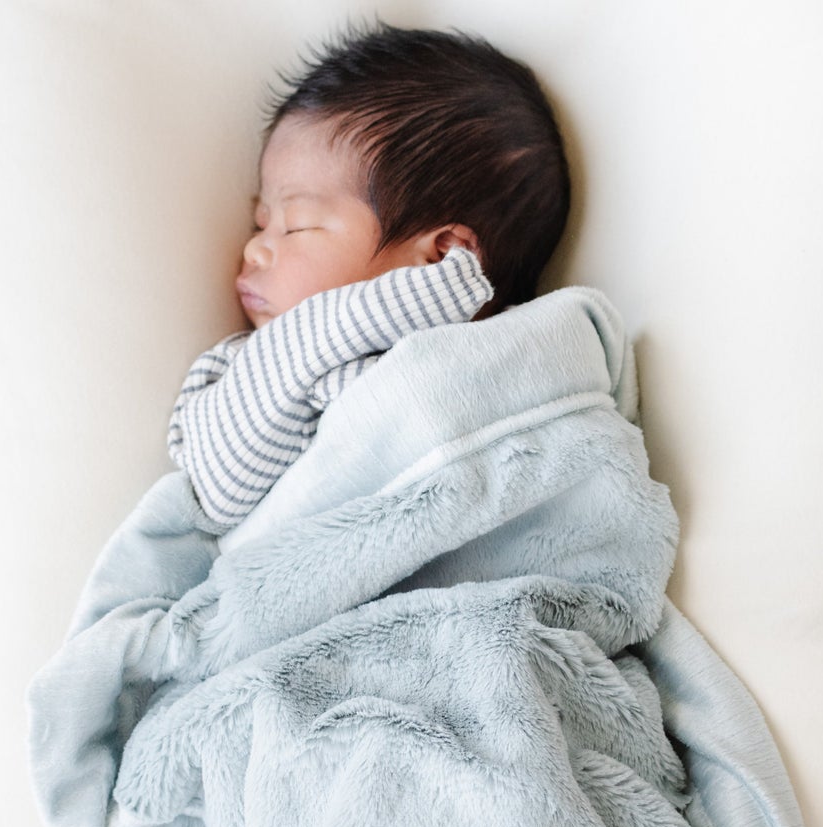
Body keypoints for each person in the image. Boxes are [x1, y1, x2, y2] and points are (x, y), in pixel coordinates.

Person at [166, 18, 571, 534]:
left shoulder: (527, 351)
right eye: (259, 223)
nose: (254, 249)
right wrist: (329, 329)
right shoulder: (255, 372)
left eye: (296, 226)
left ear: (442, 259)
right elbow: (217, 488)